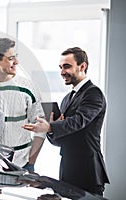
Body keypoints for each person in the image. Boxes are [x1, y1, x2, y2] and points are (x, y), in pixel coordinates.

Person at [22, 47, 110, 196]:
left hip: (88, 172)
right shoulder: (67, 98)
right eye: (61, 67)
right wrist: (50, 129)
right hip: (67, 171)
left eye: (67, 66)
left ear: (82, 66)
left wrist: (50, 126)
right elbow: (60, 141)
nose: (62, 72)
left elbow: (78, 121)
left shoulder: (93, 94)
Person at [0, 38, 46, 172]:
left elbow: (41, 128)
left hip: (22, 165)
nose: (17, 62)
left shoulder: (28, 88)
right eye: (11, 58)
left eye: (16, 57)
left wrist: (31, 161)